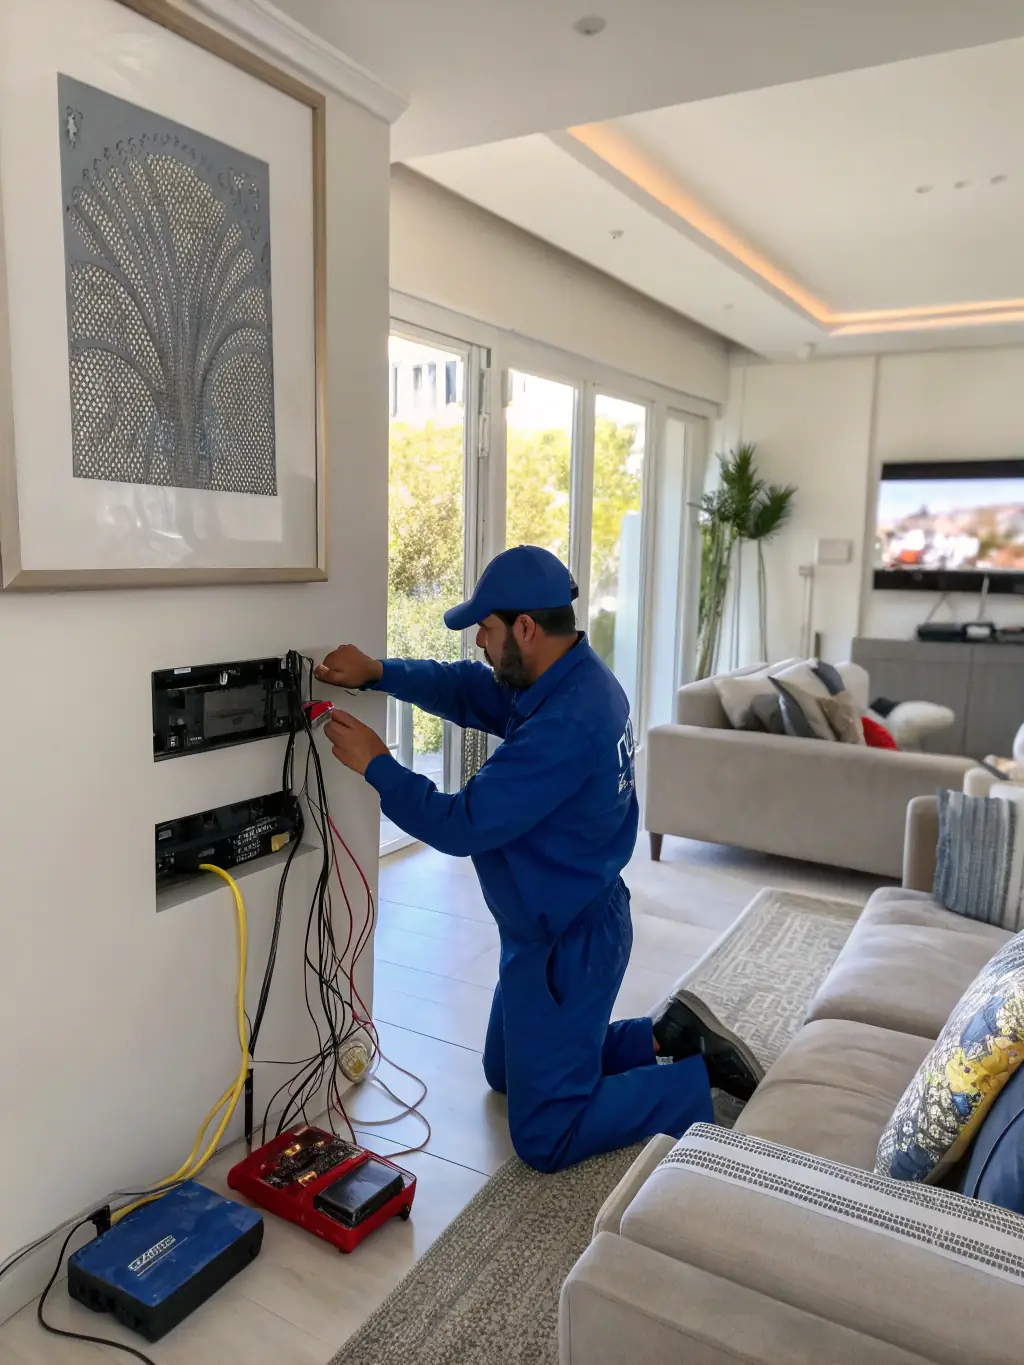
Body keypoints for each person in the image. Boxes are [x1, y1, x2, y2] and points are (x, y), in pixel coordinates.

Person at [315, 545, 762, 1173]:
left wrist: (378, 765)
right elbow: (470, 690)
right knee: (503, 1073)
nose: (478, 643)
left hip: (569, 945)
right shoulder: (566, 677)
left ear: (525, 627)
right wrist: (379, 672)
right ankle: (658, 1036)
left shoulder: (567, 723)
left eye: (487, 630)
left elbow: (461, 823)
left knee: (546, 1133)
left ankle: (691, 1086)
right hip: (550, 926)